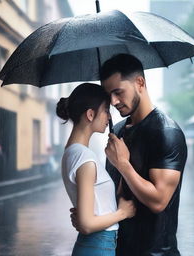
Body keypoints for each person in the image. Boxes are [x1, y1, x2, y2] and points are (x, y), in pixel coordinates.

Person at [101, 54, 188, 256]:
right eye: (109, 95)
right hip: (120, 249)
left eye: (118, 92)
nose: (113, 101)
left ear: (140, 83)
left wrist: (122, 164)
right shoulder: (119, 131)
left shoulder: (166, 132)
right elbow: (116, 194)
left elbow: (158, 201)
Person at [56, 83, 136, 256]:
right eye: (106, 110)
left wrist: (121, 163)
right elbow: (86, 224)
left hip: (94, 246)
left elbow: (95, 208)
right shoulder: (85, 158)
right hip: (98, 247)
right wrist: (123, 212)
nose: (109, 116)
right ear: (90, 114)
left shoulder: (71, 152)